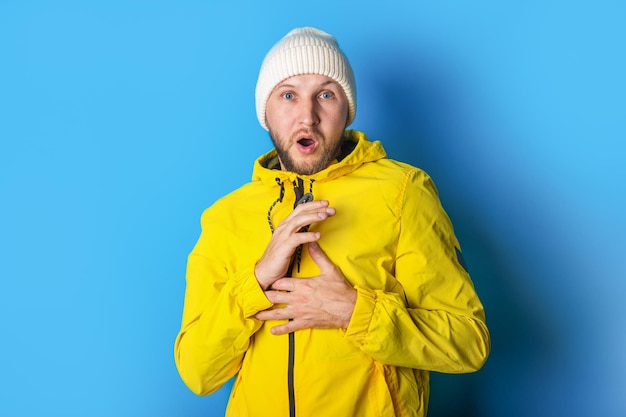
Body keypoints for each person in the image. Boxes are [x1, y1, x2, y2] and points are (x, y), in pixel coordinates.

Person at [174, 27, 490, 417]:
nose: (307, 116)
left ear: (347, 108)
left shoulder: (404, 192)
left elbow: (467, 343)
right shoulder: (226, 216)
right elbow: (197, 372)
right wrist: (254, 281)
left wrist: (355, 311)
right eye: (288, 95)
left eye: (326, 94)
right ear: (265, 112)